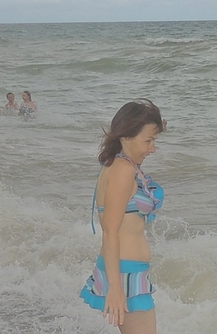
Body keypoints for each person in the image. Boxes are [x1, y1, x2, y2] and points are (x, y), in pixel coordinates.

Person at [79, 100, 166, 333]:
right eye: (148, 141)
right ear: (127, 136)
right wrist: (116, 289)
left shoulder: (123, 165)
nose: (152, 149)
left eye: (154, 141)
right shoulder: (122, 170)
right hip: (124, 274)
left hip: (129, 271)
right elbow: (110, 231)